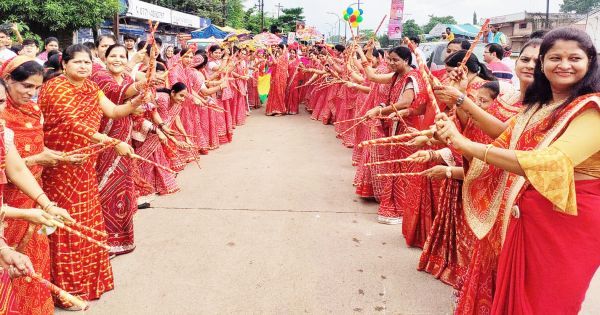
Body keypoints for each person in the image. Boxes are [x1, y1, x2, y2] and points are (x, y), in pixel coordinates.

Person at [438, 28, 600, 314]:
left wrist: (465, 143)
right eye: (555, 57)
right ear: (543, 64)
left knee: (546, 301)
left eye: (574, 58)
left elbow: (551, 162)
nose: (564, 64)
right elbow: (503, 139)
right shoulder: (540, 106)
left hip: (568, 220)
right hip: (525, 213)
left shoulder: (591, 109)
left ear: (590, 62)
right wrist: (452, 138)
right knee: (515, 295)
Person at [38, 44, 142, 309]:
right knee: (65, 222)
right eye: (77, 62)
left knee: (88, 219)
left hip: (85, 164)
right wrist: (111, 142)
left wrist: (138, 99)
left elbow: (115, 112)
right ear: (64, 65)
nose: (83, 67)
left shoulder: (90, 88)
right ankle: (65, 289)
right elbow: (75, 124)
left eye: (87, 62)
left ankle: (88, 282)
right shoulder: (56, 88)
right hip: (60, 166)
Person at [0, 56, 80, 314]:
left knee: (28, 261)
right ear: (9, 80)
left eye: (0, 102)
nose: (31, 94)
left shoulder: (3, 131)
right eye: (26, 86)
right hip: (10, 206)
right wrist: (25, 212)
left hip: (25, 200)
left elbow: (16, 167)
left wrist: (47, 204)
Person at [360, 45, 431, 227]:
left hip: (409, 127)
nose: (390, 63)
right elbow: (390, 96)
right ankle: (396, 203)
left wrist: (380, 109)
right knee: (395, 163)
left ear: (406, 60)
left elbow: (406, 102)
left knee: (405, 164)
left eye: (395, 60)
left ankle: (405, 206)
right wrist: (380, 108)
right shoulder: (396, 76)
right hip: (396, 123)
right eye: (389, 59)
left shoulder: (411, 77)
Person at [91, 44, 144, 256]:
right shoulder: (101, 78)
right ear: (104, 57)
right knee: (103, 190)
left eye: (123, 56)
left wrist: (140, 105)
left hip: (124, 139)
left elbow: (133, 105)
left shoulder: (129, 79)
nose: (118, 59)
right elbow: (117, 93)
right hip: (105, 140)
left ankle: (120, 240)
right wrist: (142, 84)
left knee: (121, 191)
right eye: (113, 55)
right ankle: (103, 241)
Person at [265, 44, 289, 116]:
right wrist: (268, 60)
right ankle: (273, 110)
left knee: (279, 93)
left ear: (282, 49)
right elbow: (272, 64)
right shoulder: (278, 56)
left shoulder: (284, 56)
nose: (278, 49)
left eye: (279, 48)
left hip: (281, 78)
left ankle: (281, 111)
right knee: (274, 92)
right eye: (277, 48)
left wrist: (271, 53)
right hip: (275, 77)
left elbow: (276, 62)